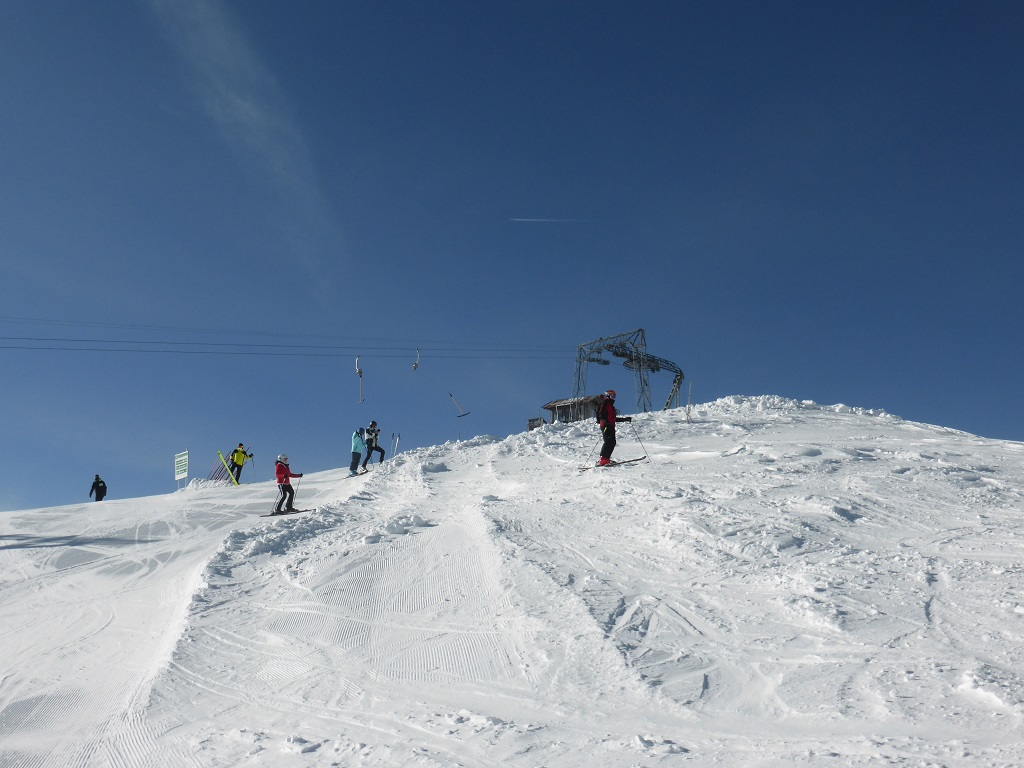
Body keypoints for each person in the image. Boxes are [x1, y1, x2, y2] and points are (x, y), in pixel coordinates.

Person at [595, 389, 632, 466]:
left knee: (612, 442)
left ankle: (606, 459)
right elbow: (601, 414)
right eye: (613, 395)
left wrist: (625, 419)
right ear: (608, 395)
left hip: (610, 425)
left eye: (615, 396)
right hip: (606, 425)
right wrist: (605, 421)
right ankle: (603, 459)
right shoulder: (605, 403)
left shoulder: (611, 406)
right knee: (608, 441)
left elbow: (613, 419)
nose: (614, 397)